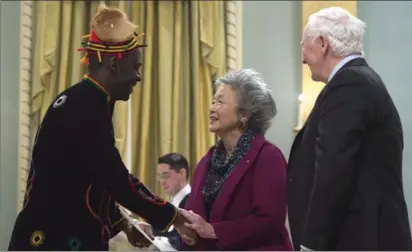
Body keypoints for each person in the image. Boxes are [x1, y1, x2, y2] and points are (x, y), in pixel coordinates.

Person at [7, 3, 196, 251]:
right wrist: (175, 217)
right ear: (115, 65)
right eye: (136, 67)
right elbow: (115, 178)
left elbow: (92, 179)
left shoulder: (85, 100)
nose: (138, 77)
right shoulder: (86, 107)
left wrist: (125, 225)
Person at [287, 7, 412, 251]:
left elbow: (333, 168)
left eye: (304, 45)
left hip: (357, 238)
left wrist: (312, 244)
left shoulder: (349, 84)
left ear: (323, 43)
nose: (303, 58)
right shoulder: (360, 80)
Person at [179, 69, 294, 250]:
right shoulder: (206, 161)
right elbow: (195, 216)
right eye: (212, 101)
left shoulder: (268, 157)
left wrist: (213, 230)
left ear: (244, 115)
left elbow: (270, 221)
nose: (211, 108)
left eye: (220, 102)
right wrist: (190, 234)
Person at [151, 153, 192, 250]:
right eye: (159, 177)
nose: (162, 181)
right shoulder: (170, 204)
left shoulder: (193, 202)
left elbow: (180, 243)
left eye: (165, 175)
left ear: (182, 173)